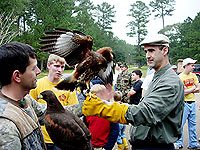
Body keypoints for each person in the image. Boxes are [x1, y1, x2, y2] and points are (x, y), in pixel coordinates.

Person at [82, 33, 184, 150]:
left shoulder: (170, 81)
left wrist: (103, 108)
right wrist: (108, 103)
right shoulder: (159, 76)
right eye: (146, 51)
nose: (147, 55)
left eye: (151, 50)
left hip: (156, 146)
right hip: (145, 145)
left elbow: (146, 112)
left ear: (165, 50)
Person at [0, 42, 46, 149]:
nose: (39, 71)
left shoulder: (25, 100)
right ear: (17, 76)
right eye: (34, 68)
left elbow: (50, 114)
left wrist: (87, 104)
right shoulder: (5, 126)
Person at [30, 54, 78, 150]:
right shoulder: (37, 84)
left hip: (61, 138)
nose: (59, 70)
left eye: (62, 67)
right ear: (48, 65)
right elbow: (30, 110)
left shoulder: (68, 87)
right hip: (41, 136)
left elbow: (74, 112)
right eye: (56, 66)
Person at [174, 58, 200, 149]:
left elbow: (199, 88)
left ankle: (193, 143)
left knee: (193, 125)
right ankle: (178, 143)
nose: (193, 67)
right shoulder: (180, 77)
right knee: (180, 124)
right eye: (192, 65)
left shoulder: (194, 76)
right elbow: (183, 92)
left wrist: (190, 90)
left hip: (192, 102)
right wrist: (193, 88)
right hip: (183, 104)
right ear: (186, 65)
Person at [85, 84, 111, 150]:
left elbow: (114, 130)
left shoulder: (109, 111)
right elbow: (85, 127)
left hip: (103, 146)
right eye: (93, 95)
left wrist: (108, 146)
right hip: (90, 145)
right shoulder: (88, 111)